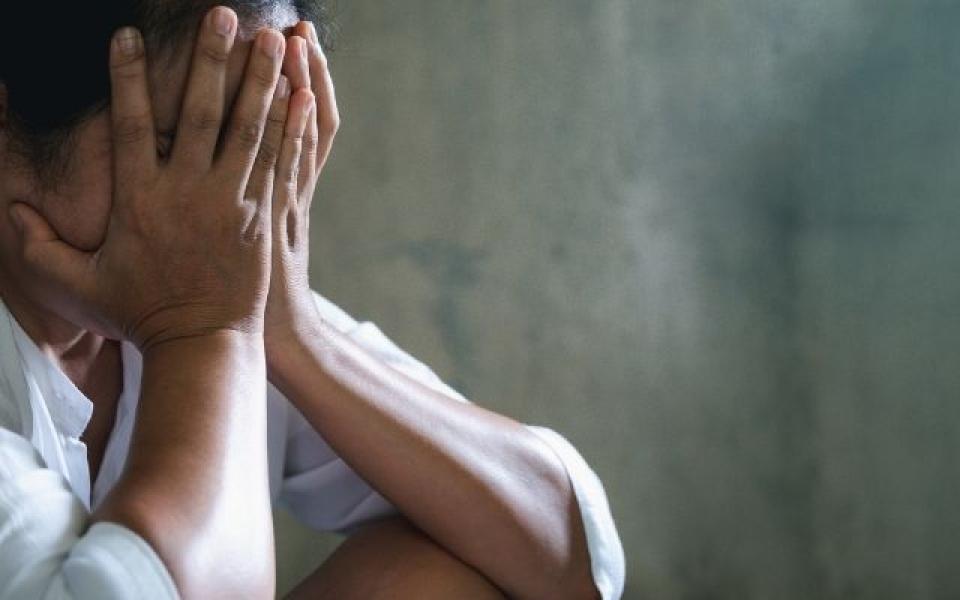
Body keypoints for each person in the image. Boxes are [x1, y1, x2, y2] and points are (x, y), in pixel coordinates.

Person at [0, 2, 625, 598]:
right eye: (176, 146)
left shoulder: (226, 298)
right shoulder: (202, 305)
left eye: (259, 141)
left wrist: (296, 337)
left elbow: (573, 562)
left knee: (441, 577)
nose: (229, 209)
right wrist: (200, 330)